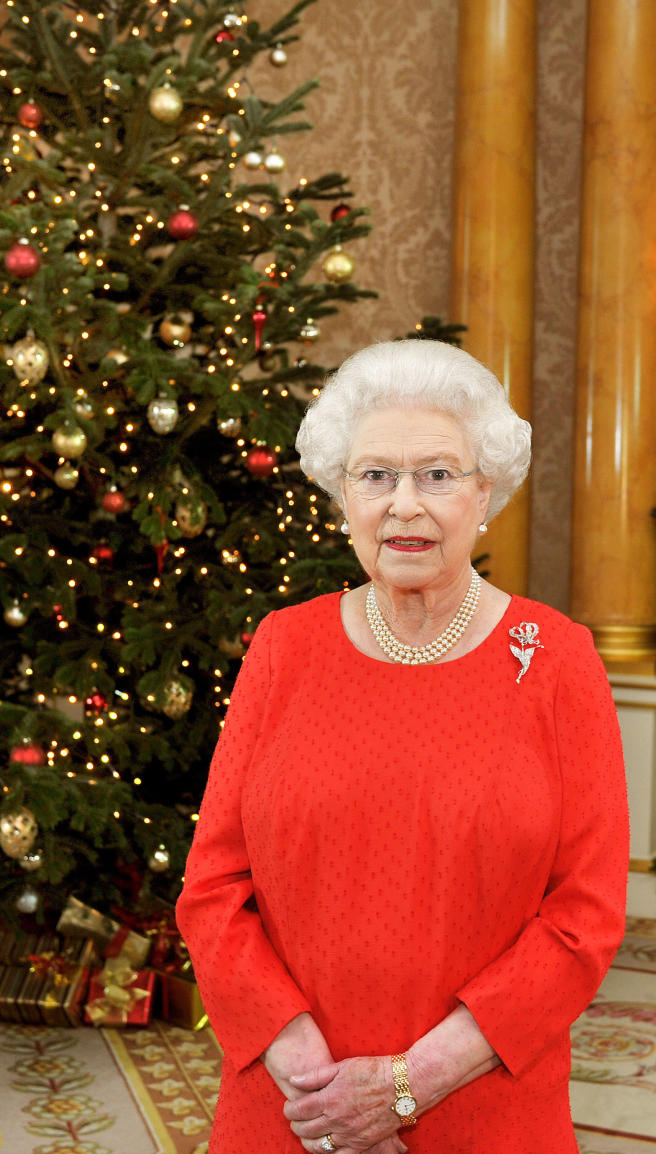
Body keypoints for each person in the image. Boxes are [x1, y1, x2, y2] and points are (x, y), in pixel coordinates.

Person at [175, 339, 629, 1154]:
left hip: (484, 1103)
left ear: (485, 493)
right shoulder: (284, 648)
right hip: (292, 1104)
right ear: (342, 496)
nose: (405, 505)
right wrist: (313, 1078)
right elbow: (213, 888)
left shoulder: (556, 659)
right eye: (375, 475)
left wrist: (403, 1087)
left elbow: (583, 918)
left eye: (438, 475)